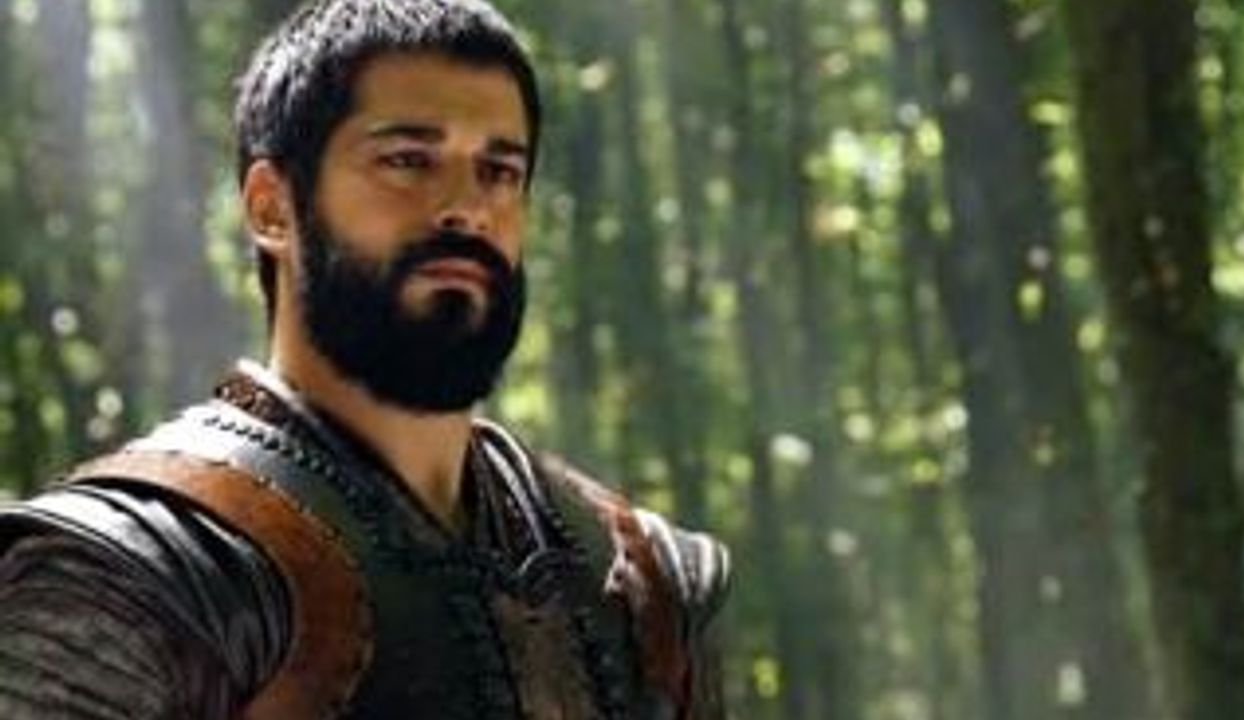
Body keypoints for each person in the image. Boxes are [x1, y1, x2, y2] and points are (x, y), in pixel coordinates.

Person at [0, 0, 731, 718]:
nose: (467, 207)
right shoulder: (140, 572)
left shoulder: (644, 583)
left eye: (498, 170)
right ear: (272, 207)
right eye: (408, 160)